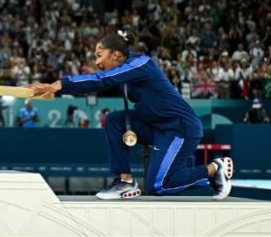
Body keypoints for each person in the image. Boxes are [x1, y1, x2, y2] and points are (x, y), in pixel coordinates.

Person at [27, 31, 234, 200]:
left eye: (100, 55)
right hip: (156, 127)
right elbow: (102, 79)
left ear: (116, 55)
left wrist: (58, 85)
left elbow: (102, 79)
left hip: (180, 128)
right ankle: (125, 182)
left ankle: (214, 169)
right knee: (115, 120)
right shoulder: (126, 68)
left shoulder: (141, 63)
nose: (97, 62)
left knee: (158, 186)